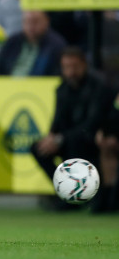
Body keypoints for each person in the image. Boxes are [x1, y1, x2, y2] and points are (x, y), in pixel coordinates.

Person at [31, 47, 115, 209]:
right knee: (38, 148)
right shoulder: (62, 89)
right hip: (68, 139)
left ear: (84, 65)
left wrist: (61, 138)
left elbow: (92, 123)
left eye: (74, 67)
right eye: (66, 67)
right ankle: (66, 192)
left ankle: (90, 196)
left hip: (90, 139)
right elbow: (58, 119)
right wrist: (51, 137)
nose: (71, 72)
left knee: (77, 144)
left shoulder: (99, 87)